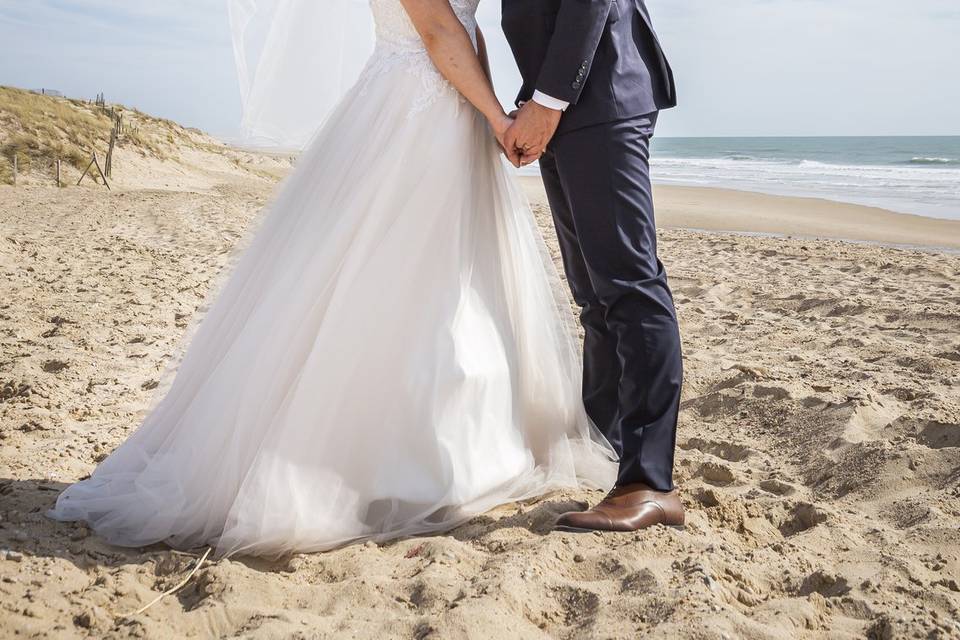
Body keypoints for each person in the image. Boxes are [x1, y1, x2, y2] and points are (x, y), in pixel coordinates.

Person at [46, 0, 621, 559]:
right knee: (397, 272)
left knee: (452, 274)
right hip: (414, 104)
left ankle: (464, 435)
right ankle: (378, 460)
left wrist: (489, 111)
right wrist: (497, 117)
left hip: (453, 100)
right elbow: (439, 32)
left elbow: (468, 30)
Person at [500, 0, 686, 532]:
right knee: (596, 298)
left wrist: (548, 99)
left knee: (630, 287)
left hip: (598, 92)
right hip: (565, 102)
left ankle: (649, 482)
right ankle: (608, 452)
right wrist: (539, 100)